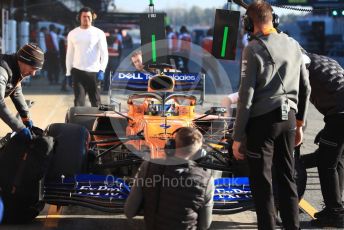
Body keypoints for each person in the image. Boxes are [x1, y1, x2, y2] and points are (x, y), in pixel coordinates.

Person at [231, 1, 311, 230]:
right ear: (274, 20)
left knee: (262, 183)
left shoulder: (252, 48)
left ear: (249, 23)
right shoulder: (294, 44)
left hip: (263, 123)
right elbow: (306, 87)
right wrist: (300, 123)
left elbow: (246, 96)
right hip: (289, 120)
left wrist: (237, 137)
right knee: (287, 178)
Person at [124, 127, 214, 230]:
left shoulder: (148, 166)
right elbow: (205, 225)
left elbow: (129, 211)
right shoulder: (206, 180)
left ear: (170, 146)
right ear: (200, 154)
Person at [302, 52, 344, 227]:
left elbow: (299, 97)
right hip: (338, 115)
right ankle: (335, 208)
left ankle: (335, 213)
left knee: (325, 162)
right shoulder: (323, 60)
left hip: (340, 115)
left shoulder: (300, 65)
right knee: (336, 160)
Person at [0, 43, 44, 140]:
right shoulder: (2, 71)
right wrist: (20, 128)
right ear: (23, 60)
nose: (33, 73)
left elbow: (16, 91)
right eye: (33, 68)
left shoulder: (15, 68)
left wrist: (26, 118)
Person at [66, 7, 108, 107]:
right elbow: (70, 53)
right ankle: (77, 122)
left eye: (89, 16)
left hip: (94, 72)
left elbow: (104, 53)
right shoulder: (73, 33)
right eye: (84, 16)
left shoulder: (99, 33)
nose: (86, 19)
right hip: (78, 72)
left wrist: (102, 70)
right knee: (78, 102)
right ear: (79, 18)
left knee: (96, 102)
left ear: (92, 18)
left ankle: (99, 122)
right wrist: (68, 72)